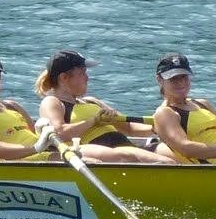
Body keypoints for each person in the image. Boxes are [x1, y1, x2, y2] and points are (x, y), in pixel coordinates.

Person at [35, 50, 170, 164]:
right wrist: (94, 121)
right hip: (97, 148)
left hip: (122, 144)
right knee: (167, 163)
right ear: (64, 78)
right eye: (82, 73)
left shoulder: (92, 101)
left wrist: (158, 126)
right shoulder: (52, 102)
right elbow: (59, 133)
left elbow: (129, 127)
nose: (87, 78)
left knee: (174, 154)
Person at [148, 53, 216, 163]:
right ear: (159, 80)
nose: (181, 82)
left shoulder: (203, 104)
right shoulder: (165, 113)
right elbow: (186, 148)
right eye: (174, 78)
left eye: (184, 77)